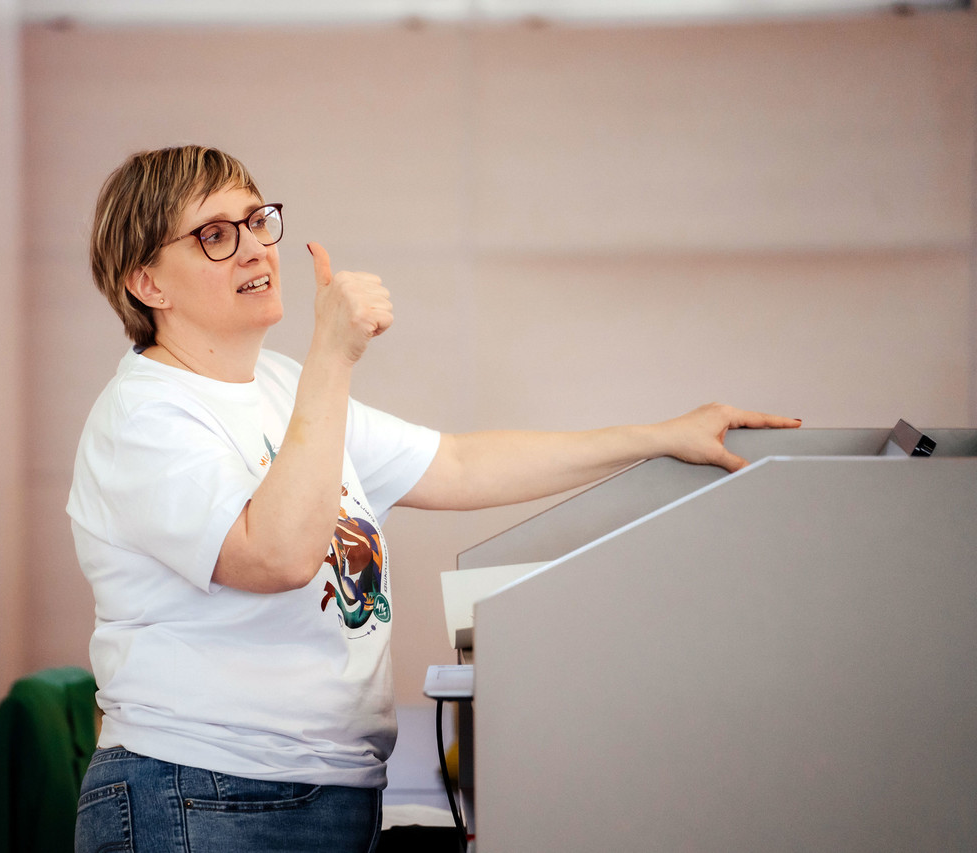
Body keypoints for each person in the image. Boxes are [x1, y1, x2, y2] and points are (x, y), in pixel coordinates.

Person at [66, 145, 800, 853]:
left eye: (259, 221)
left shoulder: (282, 386)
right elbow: (279, 555)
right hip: (202, 795)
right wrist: (333, 353)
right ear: (148, 283)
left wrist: (660, 437)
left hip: (311, 793)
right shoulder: (145, 415)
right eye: (216, 235)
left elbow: (456, 463)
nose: (256, 249)